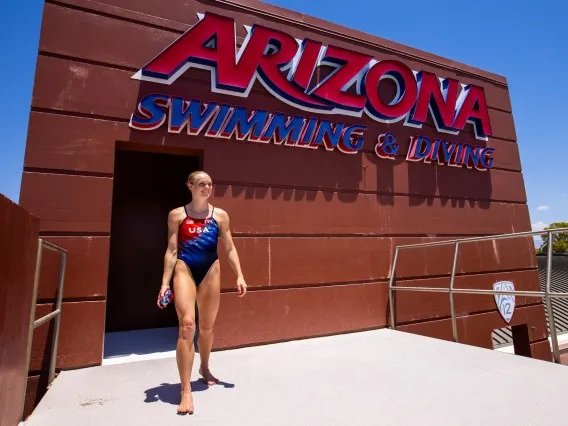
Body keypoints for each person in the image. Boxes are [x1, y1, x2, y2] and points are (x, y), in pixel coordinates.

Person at [157, 171, 247, 415]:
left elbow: (228, 248)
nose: (207, 188)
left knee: (206, 327)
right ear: (190, 186)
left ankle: (204, 368)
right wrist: (165, 283)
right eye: (201, 184)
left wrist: (239, 274)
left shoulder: (220, 216)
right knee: (187, 325)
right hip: (184, 268)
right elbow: (172, 250)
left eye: (209, 184)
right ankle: (185, 390)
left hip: (211, 271)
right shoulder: (177, 215)